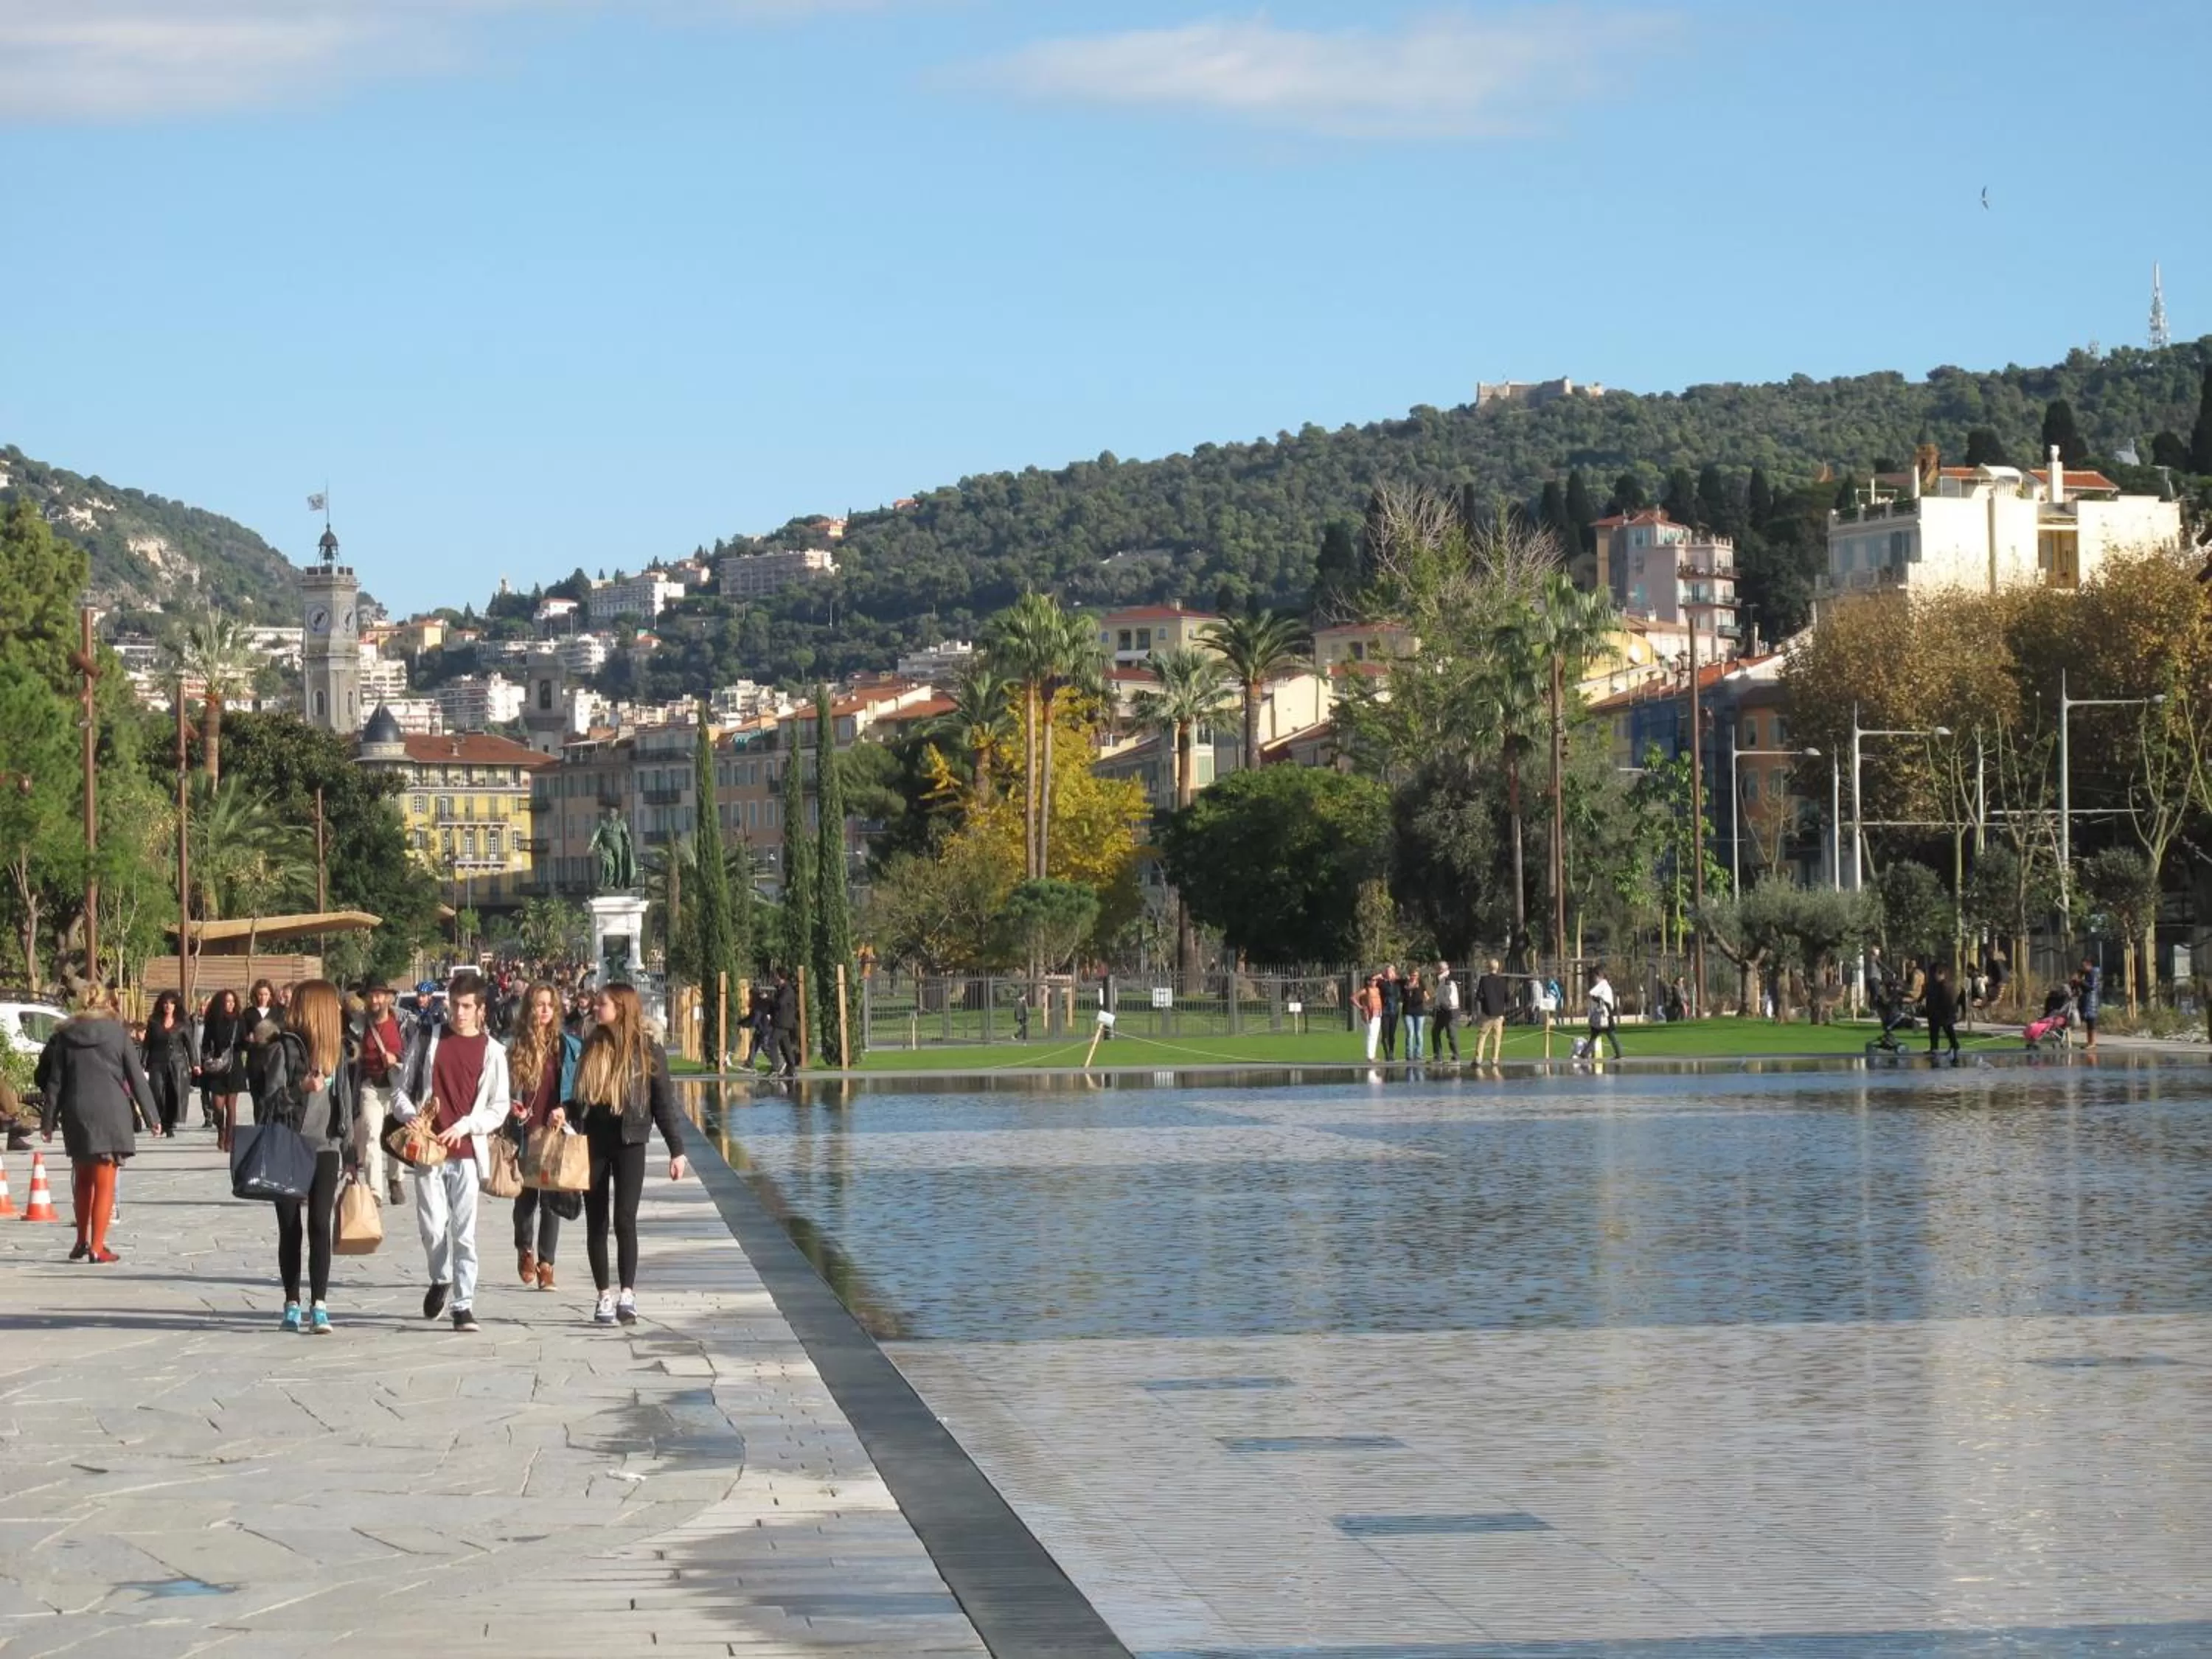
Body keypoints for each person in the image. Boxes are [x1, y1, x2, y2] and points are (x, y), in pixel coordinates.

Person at [554, 983, 688, 1326]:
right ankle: (603, 1296)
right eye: (596, 1004)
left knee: (625, 1219)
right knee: (596, 1222)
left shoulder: (648, 1051)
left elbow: (663, 1103)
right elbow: (582, 1098)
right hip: (595, 1142)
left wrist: (677, 1151)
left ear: (622, 1008)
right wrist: (565, 1110)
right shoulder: (592, 1046)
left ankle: (627, 1293)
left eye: (602, 1005)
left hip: (631, 1142)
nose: (596, 1010)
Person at [390, 971, 512, 1333]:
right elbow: (401, 1092)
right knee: (431, 1227)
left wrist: (466, 1125)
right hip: (428, 1149)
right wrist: (411, 1115)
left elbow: (499, 1106)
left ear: (480, 1009)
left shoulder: (493, 1052)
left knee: (464, 1232)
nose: (459, 1013)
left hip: (466, 1152)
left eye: (466, 1007)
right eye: (454, 1006)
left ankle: (464, 1303)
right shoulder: (429, 1039)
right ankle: (440, 1276)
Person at [262, 980, 358, 1333]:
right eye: (332, 1004)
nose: (338, 1010)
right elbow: (268, 1101)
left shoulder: (339, 1052)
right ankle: (291, 1302)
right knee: (290, 1227)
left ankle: (319, 1303)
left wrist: (349, 1147)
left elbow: (345, 1100)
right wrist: (300, 1089)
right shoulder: (284, 1049)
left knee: (320, 1224)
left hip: (326, 1145)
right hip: (289, 1144)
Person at [36, 995, 161, 1263]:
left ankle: (81, 1241)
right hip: (110, 1112)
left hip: (77, 1112)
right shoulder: (118, 1034)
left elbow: (55, 1083)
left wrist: (47, 1122)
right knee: (104, 1184)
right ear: (107, 1007)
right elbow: (136, 1077)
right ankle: (97, 1246)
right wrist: (152, 1116)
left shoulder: (66, 1036)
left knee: (82, 1180)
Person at [506, 981, 581, 1293]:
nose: (545, 1010)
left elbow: (578, 1091)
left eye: (550, 1004)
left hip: (553, 1130)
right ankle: (525, 1249)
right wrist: (513, 1106)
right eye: (539, 1004)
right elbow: (502, 1090)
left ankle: (547, 1264)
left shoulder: (567, 1047)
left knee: (551, 1199)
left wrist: (565, 1110)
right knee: (525, 1200)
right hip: (525, 1131)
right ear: (529, 1009)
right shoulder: (514, 1047)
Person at [354, 979, 413, 1206]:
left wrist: (396, 1059)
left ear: (389, 998)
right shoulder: (358, 1025)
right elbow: (351, 1055)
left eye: (380, 996)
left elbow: (415, 1054)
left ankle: (395, 1180)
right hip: (371, 1086)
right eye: (371, 996)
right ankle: (374, 1192)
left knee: (396, 1136)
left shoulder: (404, 1022)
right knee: (371, 1135)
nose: (375, 1000)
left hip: (398, 1087)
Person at [139, 992, 196, 1138]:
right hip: (157, 1062)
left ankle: (169, 1125)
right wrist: (142, 1062)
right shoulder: (154, 1021)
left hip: (177, 1062)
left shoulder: (183, 1022)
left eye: (171, 1003)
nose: (168, 1006)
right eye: (165, 1003)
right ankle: (160, 1121)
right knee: (157, 1092)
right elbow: (147, 1044)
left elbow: (190, 1044)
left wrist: (194, 1063)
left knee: (173, 1093)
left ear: (175, 1005)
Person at [198, 987, 247, 1138]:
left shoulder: (239, 1020)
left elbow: (244, 1042)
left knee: (231, 1106)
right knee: (217, 1105)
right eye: (227, 1001)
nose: (231, 1004)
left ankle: (229, 1139)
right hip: (217, 1066)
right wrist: (206, 1058)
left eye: (233, 1001)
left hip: (234, 1065)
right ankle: (221, 1129)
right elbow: (206, 1042)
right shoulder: (213, 1021)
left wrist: (248, 1042)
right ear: (221, 1003)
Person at [1473, 958, 1510, 1065]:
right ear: (1497, 968)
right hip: (1499, 1014)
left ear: (1488, 967)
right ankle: (1495, 1058)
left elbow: (1479, 996)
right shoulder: (1502, 981)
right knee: (1497, 1037)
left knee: (1482, 1035)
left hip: (1487, 1013)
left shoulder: (1484, 980)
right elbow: (1507, 997)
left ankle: (1478, 1058)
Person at [1924, 963, 1961, 1060]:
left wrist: (1946, 1011)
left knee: (1948, 1029)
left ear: (1942, 974)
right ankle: (1934, 1047)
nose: (1934, 977)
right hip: (1936, 1012)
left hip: (1944, 1013)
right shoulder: (1936, 985)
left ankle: (1955, 1046)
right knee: (1934, 1030)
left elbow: (1947, 1001)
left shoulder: (1946, 986)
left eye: (1936, 974)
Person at [771, 968, 801, 1078]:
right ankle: (791, 1069)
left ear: (779, 977)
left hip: (783, 1021)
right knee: (785, 1046)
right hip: (782, 1021)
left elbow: (780, 1003)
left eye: (775, 976)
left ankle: (775, 1068)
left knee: (772, 1042)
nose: (773, 978)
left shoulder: (787, 990)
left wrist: (768, 999)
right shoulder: (781, 989)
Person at [1587, 969, 1621, 1060]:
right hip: (1607, 1010)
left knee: (1608, 1033)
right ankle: (1584, 1054)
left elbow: (1591, 993)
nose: (1595, 980)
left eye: (1595, 977)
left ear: (1599, 976)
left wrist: (1595, 998)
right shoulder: (1606, 985)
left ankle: (1619, 1054)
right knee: (1596, 1033)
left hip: (1605, 1011)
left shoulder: (1603, 984)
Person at [1430, 960, 1461, 1062]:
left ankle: (1456, 1056)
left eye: (1437, 969)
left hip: (1449, 1010)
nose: (1436, 971)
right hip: (1441, 1009)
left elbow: (1448, 994)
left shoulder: (1447, 980)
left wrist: (1445, 1004)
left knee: (1451, 1033)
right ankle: (1438, 1056)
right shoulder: (1441, 980)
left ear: (1441, 970)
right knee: (1435, 1032)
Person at [1401, 970, 1429, 1063]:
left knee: (1419, 1033)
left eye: (1416, 975)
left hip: (1419, 1012)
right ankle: (1409, 1055)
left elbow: (1426, 995)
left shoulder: (1421, 983)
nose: (1414, 977)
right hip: (1408, 1012)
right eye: (1412, 975)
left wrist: (1426, 998)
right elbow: (1397, 981)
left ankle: (1418, 1054)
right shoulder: (1405, 984)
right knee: (1410, 1032)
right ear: (1409, 975)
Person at [2078, 956, 2102, 1053]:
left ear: (2089, 965)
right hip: (2088, 1000)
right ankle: (2089, 1042)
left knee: (2091, 1021)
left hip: (2091, 1001)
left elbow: (2091, 986)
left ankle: (2092, 1043)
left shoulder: (2093, 973)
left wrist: (2081, 981)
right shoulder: (2088, 973)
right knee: (2089, 1022)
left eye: (2084, 966)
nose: (2082, 968)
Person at [1378, 965, 1402, 1062]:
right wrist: (1379, 976)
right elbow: (1369, 980)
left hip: (1395, 1011)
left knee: (1392, 1034)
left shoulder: (1398, 983)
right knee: (1385, 1034)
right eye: (1387, 972)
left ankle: (1392, 1052)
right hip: (1385, 1010)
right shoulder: (1381, 983)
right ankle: (1387, 1054)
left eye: (1391, 972)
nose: (1389, 974)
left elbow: (1409, 980)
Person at [1356, 975, 1382, 1061]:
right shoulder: (1365, 990)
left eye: (1375, 980)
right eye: (1373, 980)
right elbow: (1353, 997)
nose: (1375, 982)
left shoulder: (1377, 989)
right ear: (1368, 981)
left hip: (1377, 1014)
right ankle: (1369, 1056)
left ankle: (1373, 1055)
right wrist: (1360, 1007)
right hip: (1369, 1015)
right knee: (1371, 1035)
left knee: (1375, 1036)